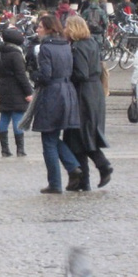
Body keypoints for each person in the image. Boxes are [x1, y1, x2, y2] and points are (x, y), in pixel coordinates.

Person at [27, 14, 82, 194]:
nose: (37, 30)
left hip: (52, 94)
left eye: (40, 27)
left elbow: (46, 75)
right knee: (53, 137)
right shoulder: (66, 45)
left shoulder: (46, 48)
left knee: (48, 140)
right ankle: (73, 167)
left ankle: (56, 183)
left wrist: (33, 74)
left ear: (49, 29)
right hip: (67, 92)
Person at [64, 16, 113, 191]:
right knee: (85, 135)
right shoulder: (92, 43)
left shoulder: (77, 47)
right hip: (95, 92)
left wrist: (66, 77)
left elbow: (81, 73)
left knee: (78, 136)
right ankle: (87, 178)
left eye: (67, 27)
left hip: (83, 93)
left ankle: (100, 167)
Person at [0, 28, 32, 158]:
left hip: (4, 88)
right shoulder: (16, 54)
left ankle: (4, 149)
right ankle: (20, 149)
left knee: (4, 117)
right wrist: (28, 91)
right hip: (16, 89)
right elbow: (21, 75)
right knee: (18, 118)